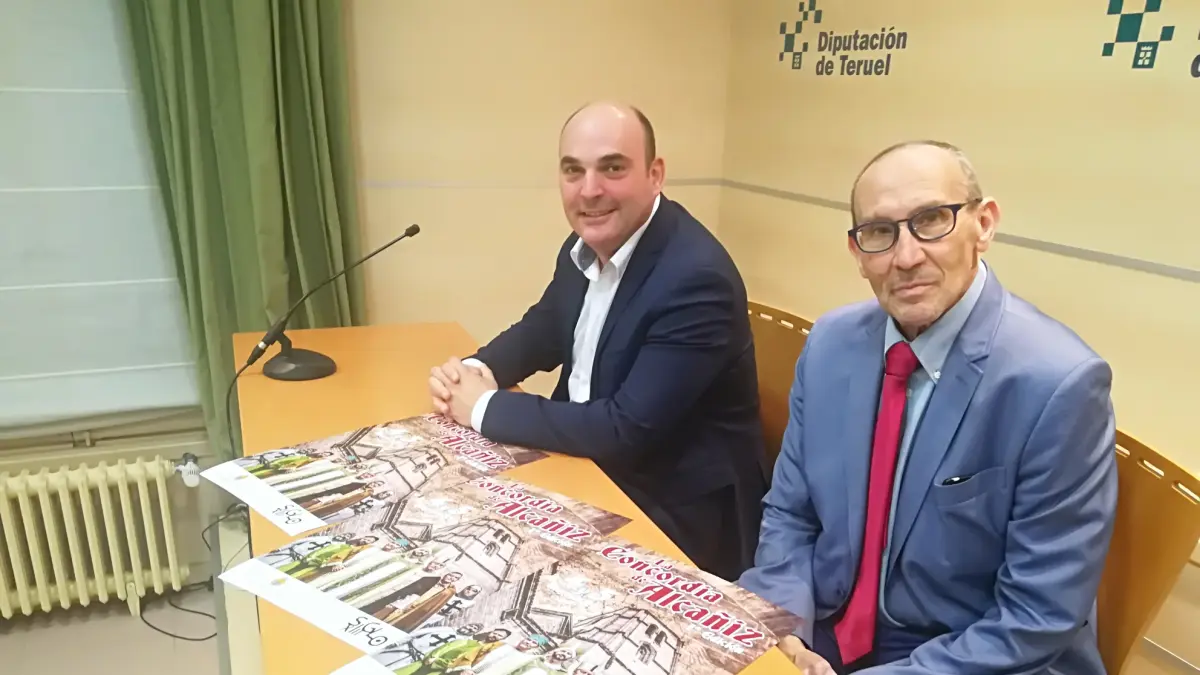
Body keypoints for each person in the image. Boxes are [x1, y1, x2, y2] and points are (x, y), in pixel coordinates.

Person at [738, 141, 1118, 674]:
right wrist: (781, 628)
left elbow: (1036, 618)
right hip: (824, 629)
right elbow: (790, 514)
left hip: (975, 655)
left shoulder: (1058, 384)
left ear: (984, 224)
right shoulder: (830, 344)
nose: (906, 257)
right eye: (879, 232)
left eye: (931, 220)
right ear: (857, 253)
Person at [428, 101, 768, 581]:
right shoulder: (586, 245)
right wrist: (474, 371)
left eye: (612, 168)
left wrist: (481, 407)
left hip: (674, 507)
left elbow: (625, 429)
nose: (590, 190)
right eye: (574, 170)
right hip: (591, 466)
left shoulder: (695, 278)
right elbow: (544, 327)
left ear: (655, 174)